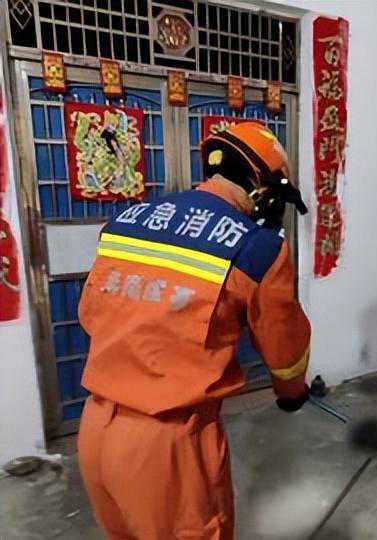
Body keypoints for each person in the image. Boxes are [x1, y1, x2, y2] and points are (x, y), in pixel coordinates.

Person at [77, 121, 311, 540]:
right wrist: (291, 394)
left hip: (95, 431)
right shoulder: (257, 249)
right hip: (171, 448)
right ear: (261, 188)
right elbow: (284, 347)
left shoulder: (125, 222)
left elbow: (90, 313)